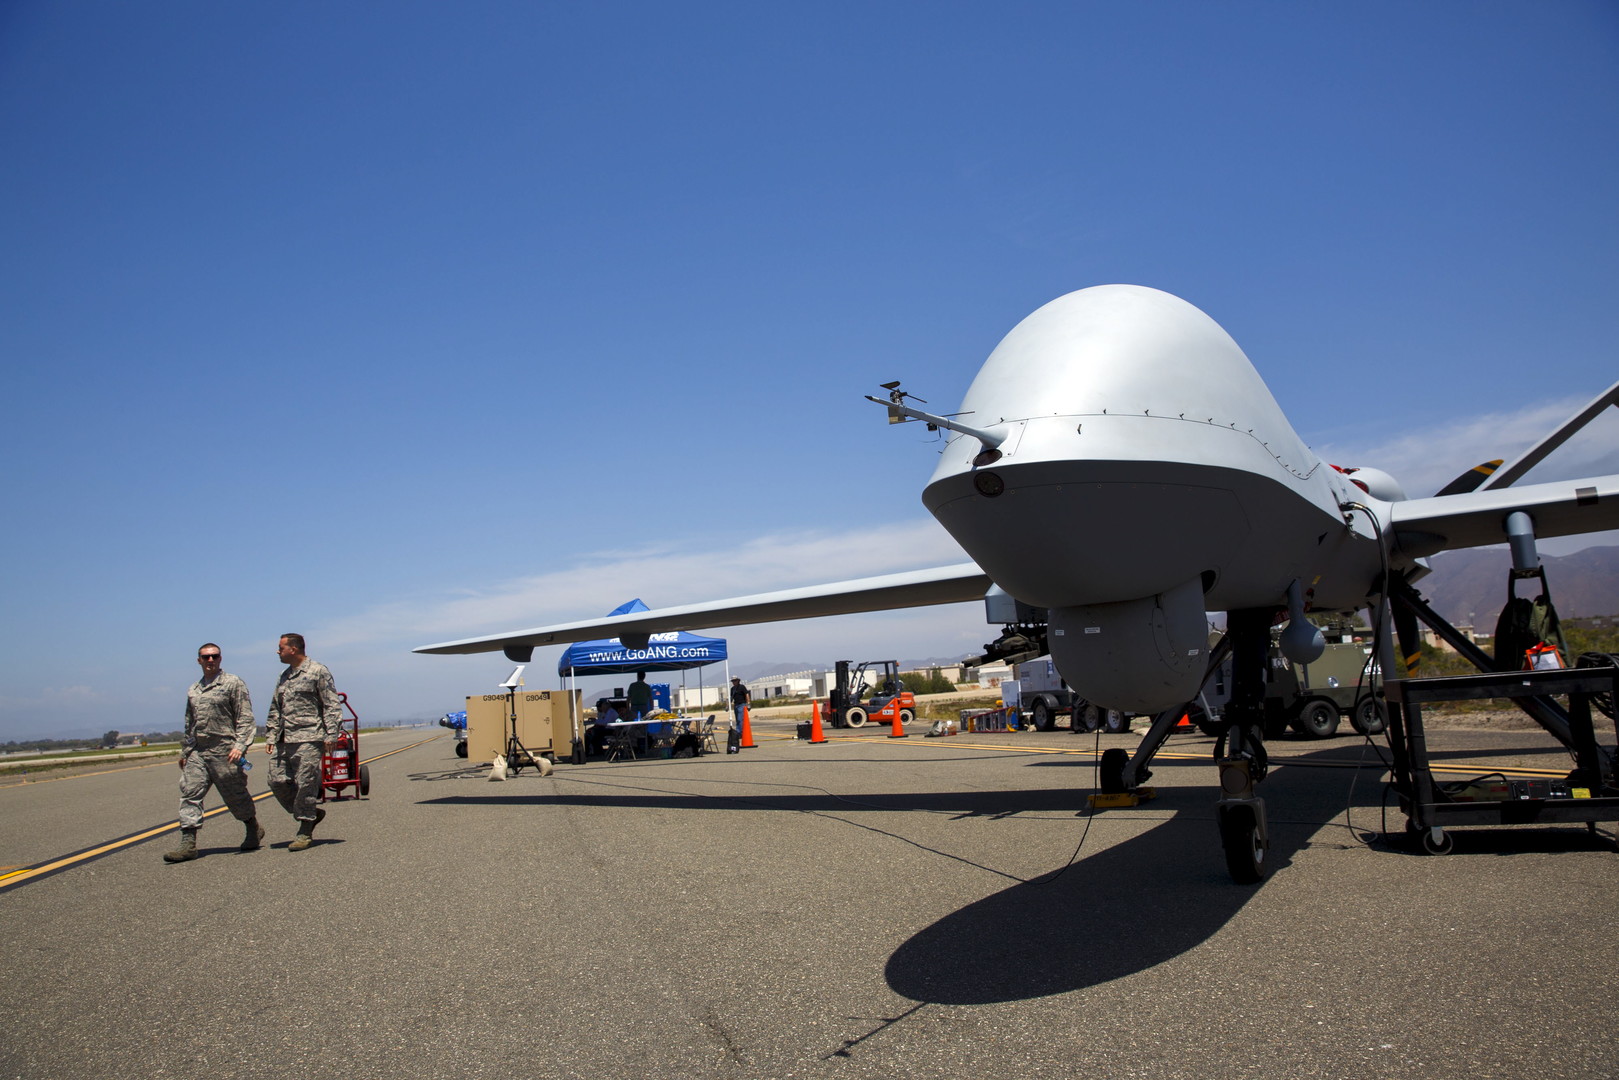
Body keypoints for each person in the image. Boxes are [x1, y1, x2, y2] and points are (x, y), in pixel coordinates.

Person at [164, 643, 264, 862]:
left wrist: (240, 747)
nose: (210, 661)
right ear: (198, 660)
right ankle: (188, 843)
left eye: (214, 656)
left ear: (220, 659)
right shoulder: (194, 690)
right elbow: (190, 723)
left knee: (235, 796)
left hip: (225, 751)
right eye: (206, 657)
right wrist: (186, 751)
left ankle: (252, 828)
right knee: (190, 793)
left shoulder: (232, 683)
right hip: (199, 751)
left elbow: (245, 718)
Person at [264, 633, 341, 850]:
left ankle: (305, 829)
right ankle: (310, 813)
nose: (278, 651)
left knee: (305, 783)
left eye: (281, 648)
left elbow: (331, 704)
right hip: (284, 738)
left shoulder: (318, 671)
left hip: (309, 737)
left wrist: (331, 734)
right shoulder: (284, 676)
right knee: (276, 781)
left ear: (294, 649)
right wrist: (271, 735)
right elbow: (275, 708)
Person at [728, 677, 750, 753]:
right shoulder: (732, 689)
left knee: (740, 719)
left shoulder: (742, 687)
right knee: (737, 719)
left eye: (735, 681)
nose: (734, 682)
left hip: (742, 704)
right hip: (736, 705)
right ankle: (739, 732)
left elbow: (746, 694)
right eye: (733, 681)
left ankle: (739, 733)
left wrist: (748, 704)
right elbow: (731, 697)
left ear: (738, 681)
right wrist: (728, 705)